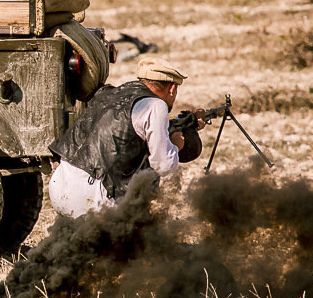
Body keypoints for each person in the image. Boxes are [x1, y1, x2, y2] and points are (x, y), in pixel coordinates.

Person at [48, 55, 203, 219]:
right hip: (91, 198)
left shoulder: (113, 92)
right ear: (172, 88)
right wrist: (176, 146)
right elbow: (163, 165)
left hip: (60, 186)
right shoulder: (155, 105)